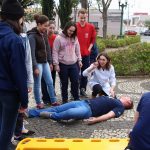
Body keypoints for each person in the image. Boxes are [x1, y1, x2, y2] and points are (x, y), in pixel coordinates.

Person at [0, 0, 28, 149]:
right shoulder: (15, 40)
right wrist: (24, 101)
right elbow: (19, 74)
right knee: (6, 131)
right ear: (18, 18)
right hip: (9, 93)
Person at [28, 95, 133, 124]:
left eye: (128, 98)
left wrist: (96, 120)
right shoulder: (114, 98)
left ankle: (52, 116)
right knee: (57, 108)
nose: (126, 96)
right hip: (83, 102)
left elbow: (110, 115)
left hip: (88, 111)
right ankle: (30, 113)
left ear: (128, 103)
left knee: (70, 113)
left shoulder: (120, 107)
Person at [28, 14, 59, 109]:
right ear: (39, 24)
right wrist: (35, 67)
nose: (46, 28)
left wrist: (50, 62)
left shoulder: (44, 34)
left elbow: (48, 49)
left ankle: (53, 100)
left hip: (45, 62)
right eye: (45, 26)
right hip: (37, 63)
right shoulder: (32, 36)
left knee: (50, 81)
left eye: (47, 25)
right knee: (37, 84)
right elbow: (31, 53)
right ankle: (38, 102)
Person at [14, 22, 35, 142]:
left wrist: (29, 82)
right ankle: (16, 133)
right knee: (16, 106)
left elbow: (28, 60)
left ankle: (19, 129)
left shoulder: (23, 37)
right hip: (12, 79)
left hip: (20, 77)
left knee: (21, 105)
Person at [53, 21, 82, 103]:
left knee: (75, 81)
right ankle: (65, 100)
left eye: (73, 31)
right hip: (63, 64)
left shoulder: (75, 38)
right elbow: (55, 51)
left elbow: (78, 50)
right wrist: (56, 64)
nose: (71, 33)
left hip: (73, 63)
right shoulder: (58, 38)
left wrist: (79, 60)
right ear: (66, 29)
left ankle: (76, 98)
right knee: (64, 83)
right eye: (70, 31)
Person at [76, 8, 96, 97]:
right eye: (81, 18)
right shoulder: (75, 26)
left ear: (86, 16)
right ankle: (74, 89)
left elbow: (93, 39)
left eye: (84, 18)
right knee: (75, 73)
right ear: (78, 17)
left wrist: (89, 48)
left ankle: (82, 89)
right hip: (75, 55)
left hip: (86, 54)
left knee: (85, 72)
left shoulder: (91, 27)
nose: (83, 20)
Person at [42, 20, 57, 105]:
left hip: (52, 61)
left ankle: (52, 95)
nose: (51, 29)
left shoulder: (55, 38)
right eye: (50, 27)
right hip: (44, 61)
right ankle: (45, 97)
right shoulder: (43, 36)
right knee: (43, 80)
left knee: (52, 79)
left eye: (53, 28)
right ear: (47, 27)